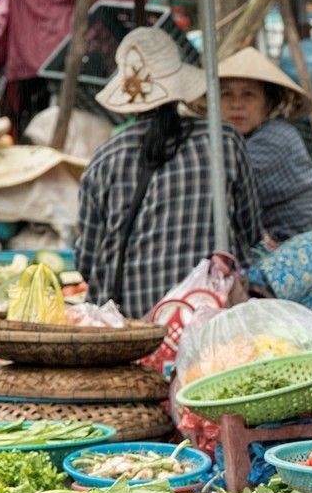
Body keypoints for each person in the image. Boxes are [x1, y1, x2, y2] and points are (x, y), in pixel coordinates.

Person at [75, 28, 261, 319]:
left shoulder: (104, 160)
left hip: (127, 324)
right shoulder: (223, 140)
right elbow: (249, 231)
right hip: (206, 311)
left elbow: (87, 261)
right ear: (179, 89)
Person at [217, 47, 312, 311]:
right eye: (226, 94)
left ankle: (250, 305)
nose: (236, 104)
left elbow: (223, 186)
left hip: (297, 258)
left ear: (268, 103)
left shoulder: (276, 139)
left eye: (248, 95)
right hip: (264, 255)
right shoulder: (232, 142)